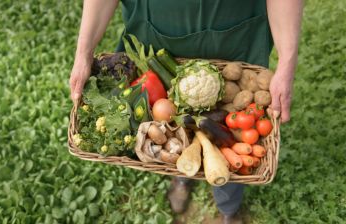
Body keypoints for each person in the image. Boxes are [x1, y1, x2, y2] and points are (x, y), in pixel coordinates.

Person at [69, 0, 303, 223]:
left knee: (232, 140)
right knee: (171, 125)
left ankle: (228, 207)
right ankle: (182, 173)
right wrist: (83, 53)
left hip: (234, 37)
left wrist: (287, 62)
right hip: (158, 37)